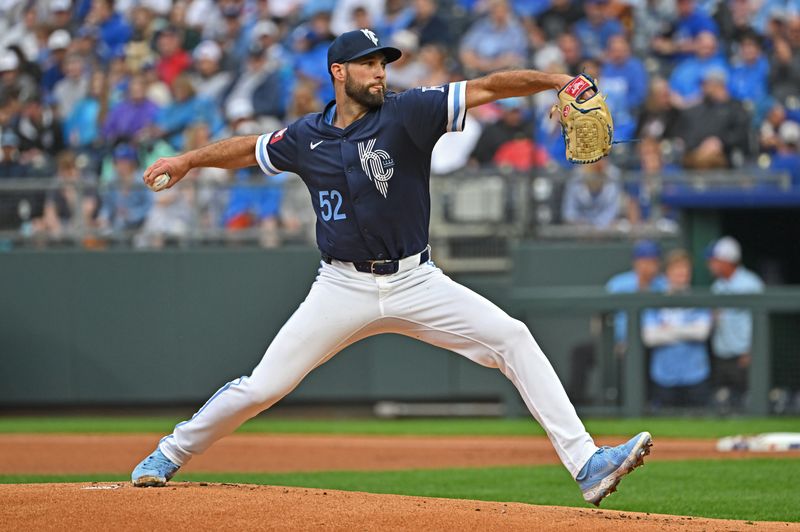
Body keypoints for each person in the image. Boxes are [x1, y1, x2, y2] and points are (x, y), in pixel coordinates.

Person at [131, 28, 652, 506]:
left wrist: (558, 80)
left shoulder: (409, 112)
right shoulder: (307, 136)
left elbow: (489, 87)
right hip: (340, 285)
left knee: (512, 337)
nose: (380, 71)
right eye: (367, 64)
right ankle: (171, 452)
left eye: (383, 62)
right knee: (264, 387)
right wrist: (188, 161)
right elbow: (249, 149)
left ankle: (586, 464)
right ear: (339, 72)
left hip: (416, 280)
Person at [642, 249, 712, 410]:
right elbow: (650, 337)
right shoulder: (656, 300)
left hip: (696, 374)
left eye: (685, 270)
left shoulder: (698, 299)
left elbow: (701, 333)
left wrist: (668, 330)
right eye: (677, 270)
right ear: (667, 273)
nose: (681, 274)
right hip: (664, 375)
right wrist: (687, 330)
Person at [706, 236, 764, 412]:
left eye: (714, 260)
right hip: (722, 354)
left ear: (727, 260)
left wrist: (752, 349)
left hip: (743, 354)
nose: (710, 264)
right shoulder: (717, 286)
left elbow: (759, 323)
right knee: (723, 403)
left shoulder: (751, 283)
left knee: (746, 403)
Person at [606, 240, 669, 356]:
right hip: (621, 343)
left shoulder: (664, 284)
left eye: (653, 262)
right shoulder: (618, 284)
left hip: (655, 344)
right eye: (644, 261)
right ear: (635, 262)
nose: (648, 266)